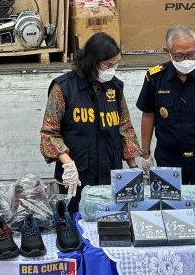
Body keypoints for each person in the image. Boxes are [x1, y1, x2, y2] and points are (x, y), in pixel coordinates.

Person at [40, 32, 140, 213]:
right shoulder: (63, 88)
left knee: (110, 223)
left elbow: (124, 127)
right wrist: (67, 164)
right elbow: (49, 132)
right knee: (76, 221)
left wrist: (134, 169)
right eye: (109, 65)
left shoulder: (115, 87)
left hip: (110, 171)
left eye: (116, 64)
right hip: (77, 175)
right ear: (94, 61)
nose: (112, 69)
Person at [137, 24, 195, 184]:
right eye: (180, 56)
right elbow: (148, 114)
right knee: (168, 207)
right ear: (167, 52)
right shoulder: (155, 78)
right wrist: (145, 153)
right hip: (168, 158)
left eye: (191, 54)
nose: (187, 60)